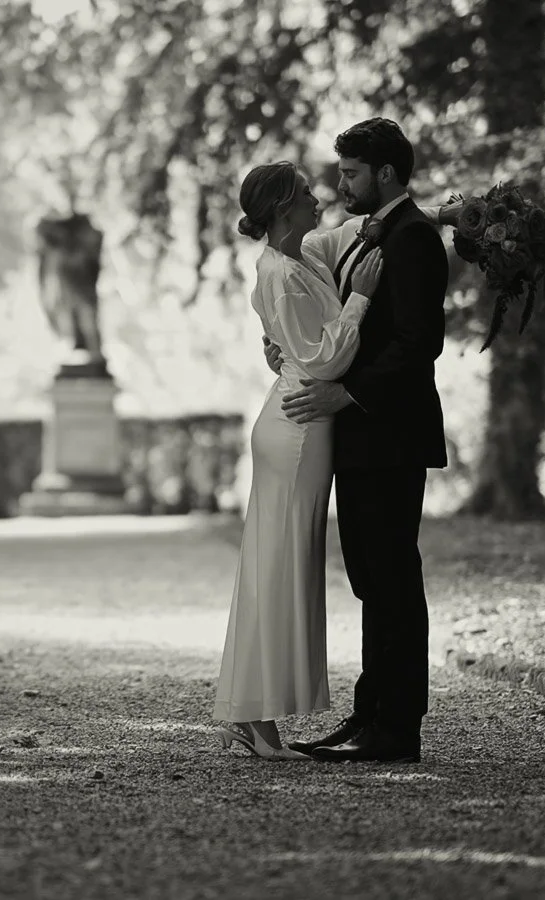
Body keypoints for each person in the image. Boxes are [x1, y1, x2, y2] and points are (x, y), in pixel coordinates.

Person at [274, 118, 451, 764]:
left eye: (351, 172)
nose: (341, 182)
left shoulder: (414, 240)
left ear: (386, 173)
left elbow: (417, 344)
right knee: (372, 579)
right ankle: (371, 712)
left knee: (393, 579)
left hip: (392, 435)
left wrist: (346, 394)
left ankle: (399, 728)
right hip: (364, 438)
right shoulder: (376, 231)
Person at [211, 160, 386, 759]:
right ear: (284, 208)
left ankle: (253, 713)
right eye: (308, 196)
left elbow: (346, 236)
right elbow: (321, 360)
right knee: (278, 571)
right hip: (298, 429)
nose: (321, 201)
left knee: (280, 568)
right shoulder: (280, 272)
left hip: (298, 424)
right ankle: (255, 719)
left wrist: (440, 214)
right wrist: (360, 302)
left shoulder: (300, 255)